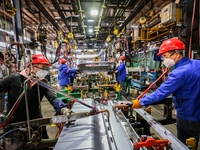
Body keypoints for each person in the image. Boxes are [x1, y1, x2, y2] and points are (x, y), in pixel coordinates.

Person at [130, 38, 200, 149]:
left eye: (165, 56)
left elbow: (160, 93)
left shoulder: (178, 73)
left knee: (185, 146)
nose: (164, 60)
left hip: (188, 117)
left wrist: (141, 102)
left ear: (176, 54)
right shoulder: (197, 64)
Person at [0, 54, 71, 146]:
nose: (44, 71)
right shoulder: (14, 79)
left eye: (46, 69)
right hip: (14, 122)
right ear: (32, 67)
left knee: (42, 145)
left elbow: (52, 97)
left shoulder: (40, 83)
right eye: (42, 68)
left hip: (35, 122)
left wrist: (62, 108)